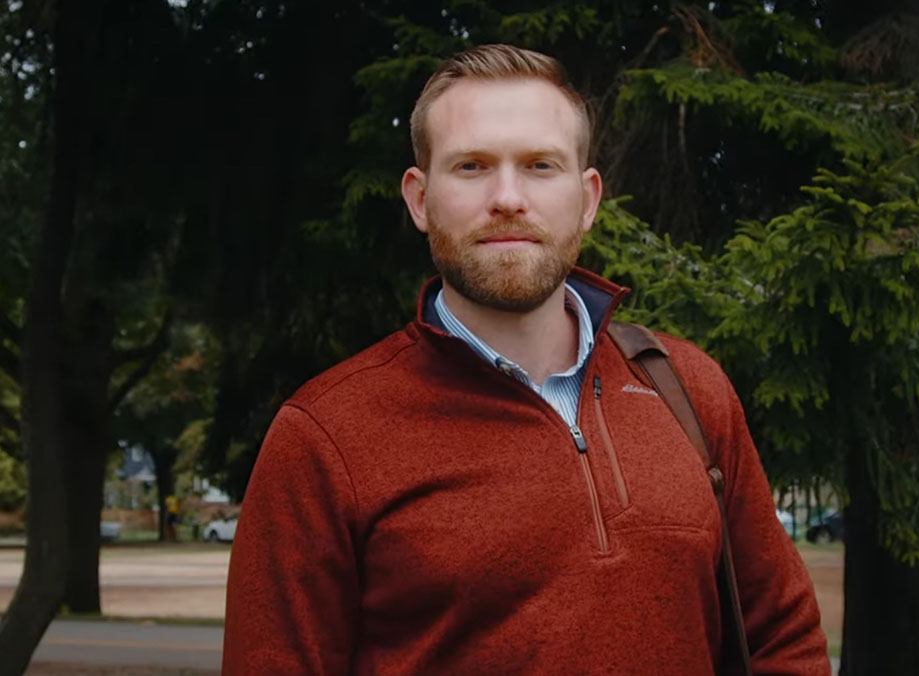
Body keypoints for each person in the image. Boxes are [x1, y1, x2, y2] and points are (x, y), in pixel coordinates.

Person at [223, 44, 829, 675]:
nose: (508, 197)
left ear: (588, 198)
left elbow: (783, 638)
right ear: (420, 199)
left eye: (541, 165)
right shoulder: (325, 436)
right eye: (472, 166)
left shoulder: (685, 389)